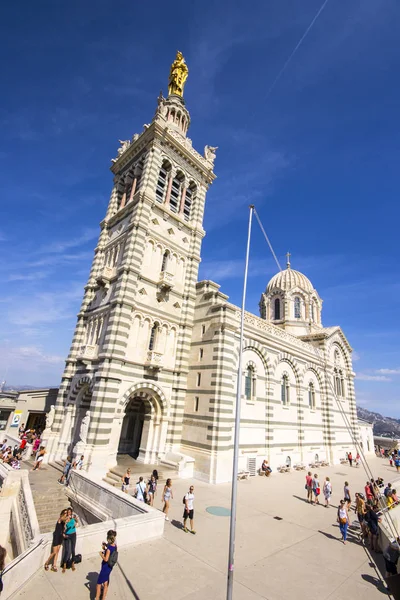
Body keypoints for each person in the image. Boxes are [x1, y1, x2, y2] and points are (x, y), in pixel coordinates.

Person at [95, 530, 117, 600]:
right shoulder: (115, 546)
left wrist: (101, 554)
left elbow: (106, 559)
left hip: (105, 567)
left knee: (98, 584)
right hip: (110, 567)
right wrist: (105, 546)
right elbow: (111, 551)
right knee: (106, 582)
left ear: (108, 538)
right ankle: (103, 598)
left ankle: (97, 597)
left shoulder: (108, 549)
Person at [61, 508, 79, 573]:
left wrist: (76, 521)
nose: (69, 513)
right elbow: (64, 529)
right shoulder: (65, 519)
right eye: (68, 512)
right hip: (67, 535)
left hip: (73, 534)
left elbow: (77, 522)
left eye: (70, 512)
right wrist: (66, 523)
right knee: (67, 550)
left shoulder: (73, 518)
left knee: (73, 550)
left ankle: (73, 564)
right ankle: (64, 564)